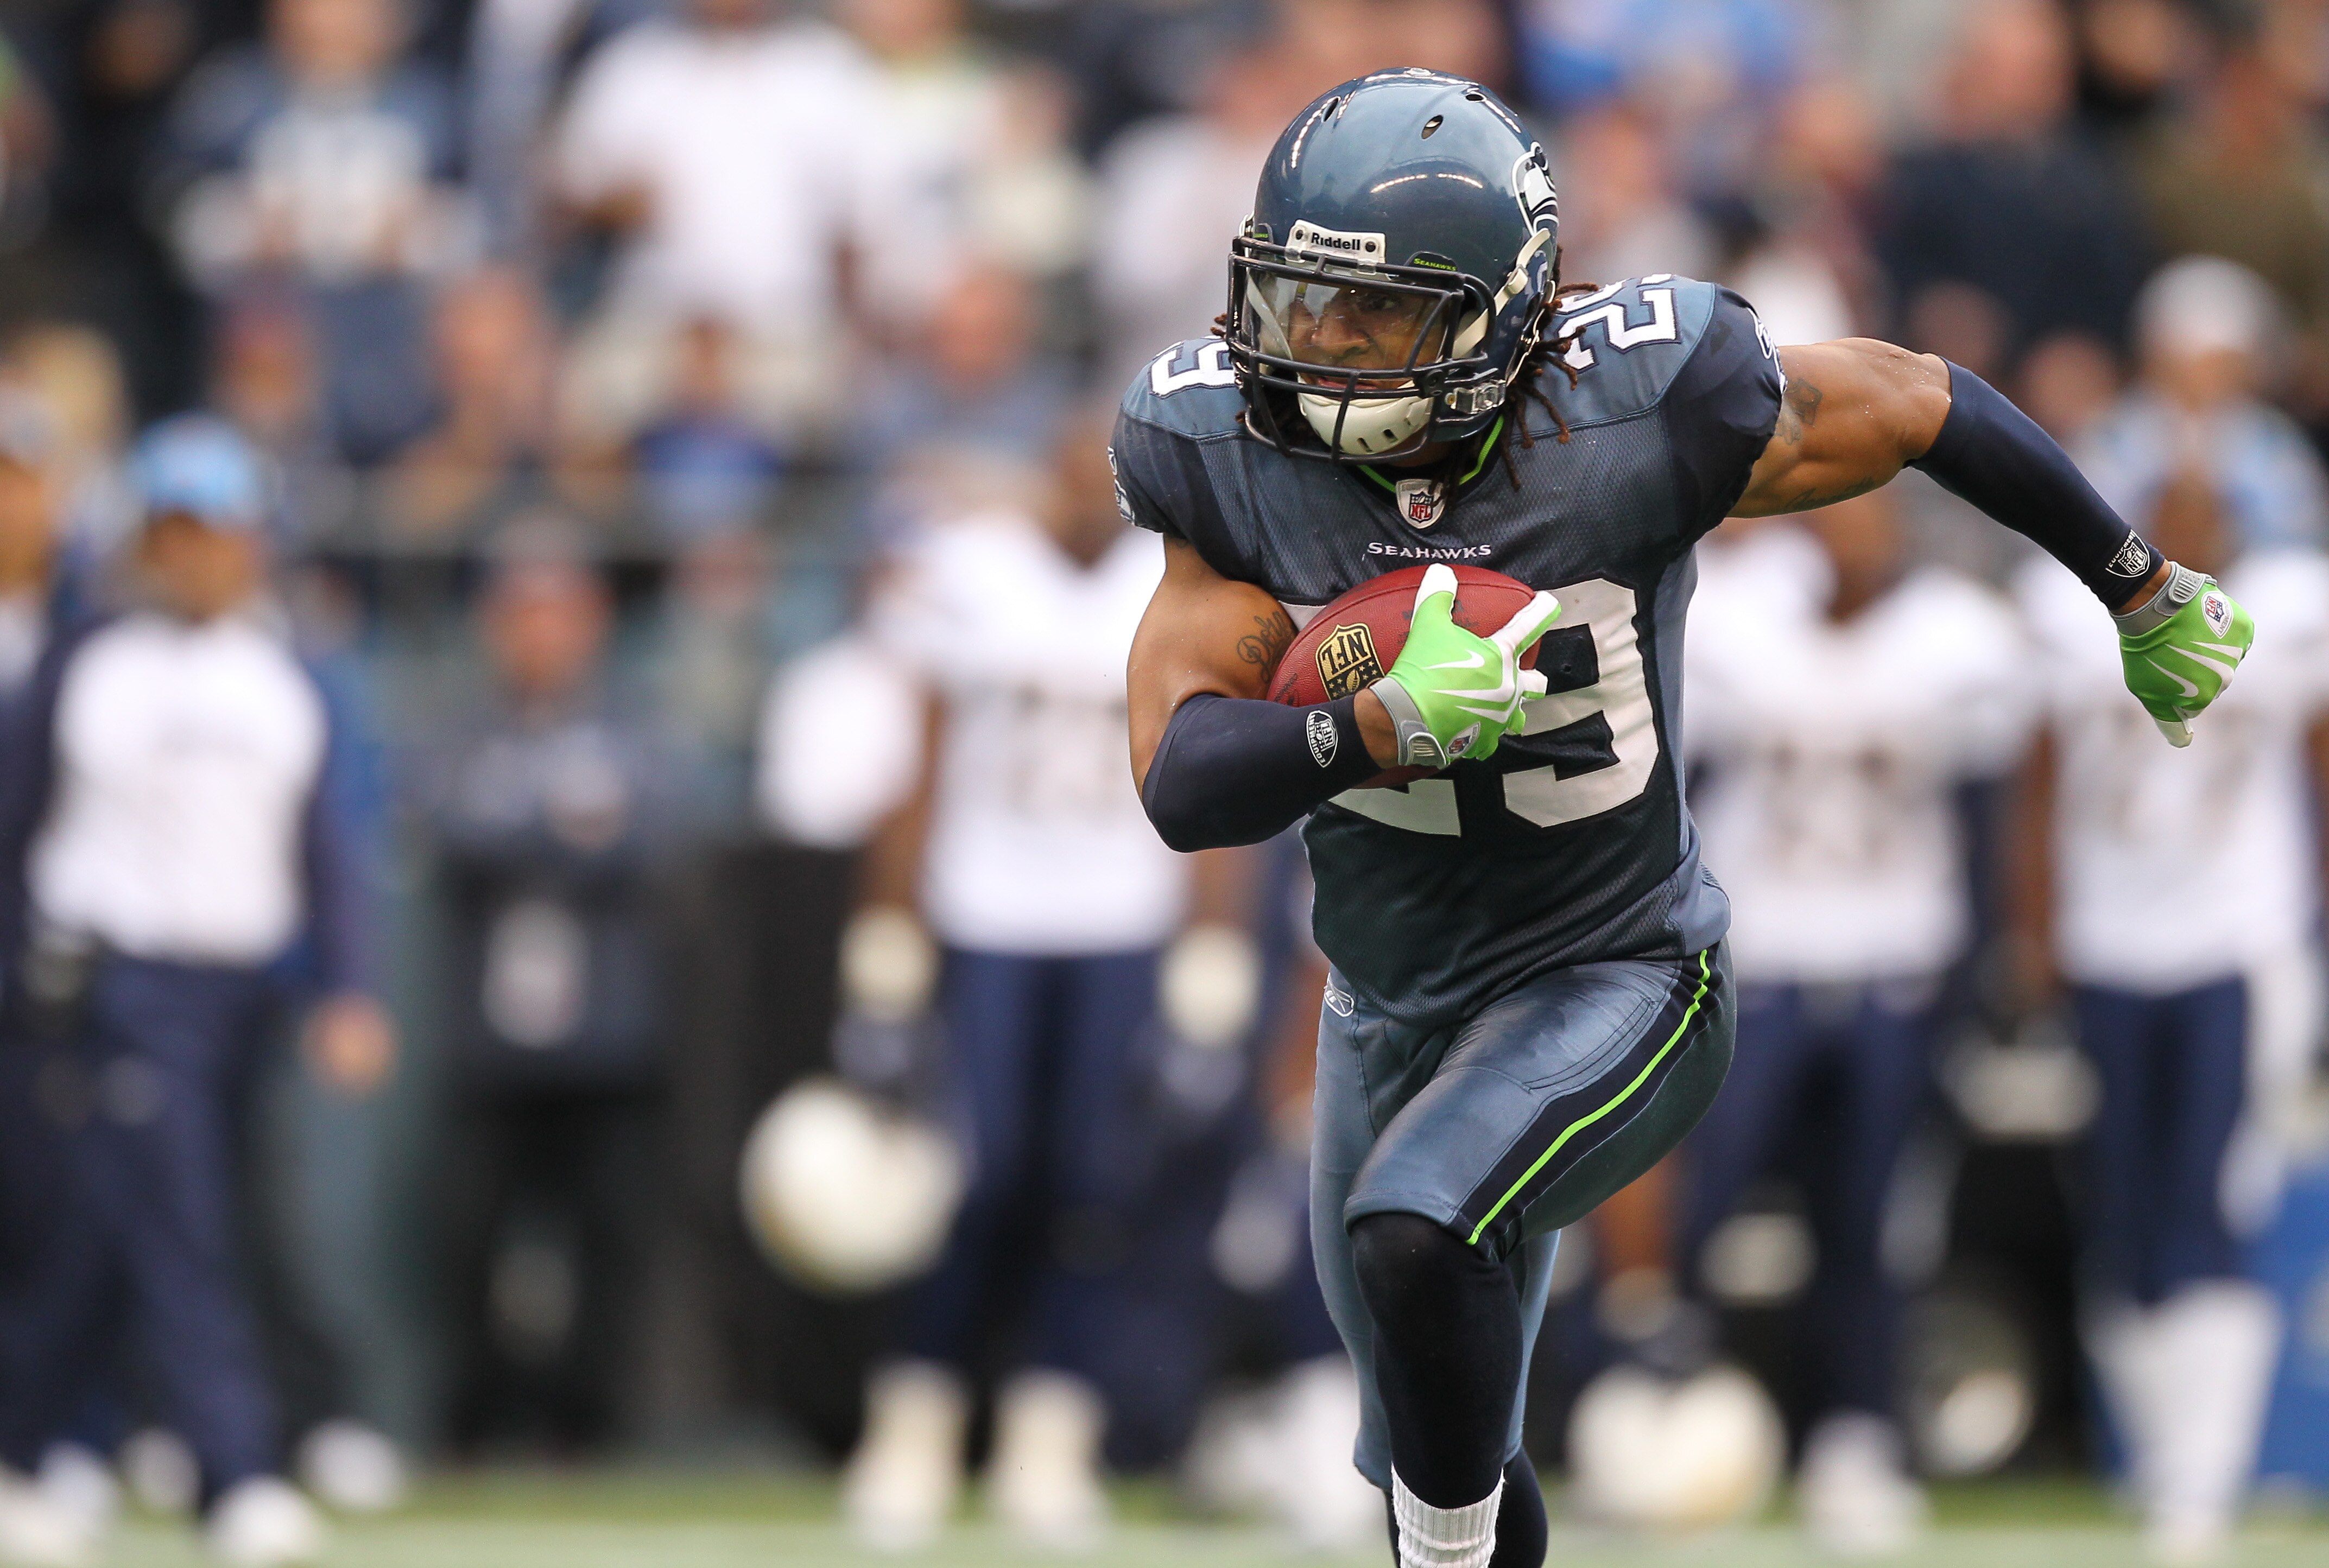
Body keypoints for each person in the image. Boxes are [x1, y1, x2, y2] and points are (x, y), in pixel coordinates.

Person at [1109, 69, 2252, 1568]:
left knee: (1417, 1227)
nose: (1319, 352)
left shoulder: (1640, 406)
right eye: (1302, 303)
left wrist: (2134, 581)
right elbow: (1182, 782)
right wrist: (1362, 729)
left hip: (1617, 967)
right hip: (1386, 1003)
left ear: (1503, 311)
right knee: (1420, 1441)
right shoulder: (1228, 451)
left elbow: (1916, 397)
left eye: (1371, 317)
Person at [834, 410, 1257, 1550]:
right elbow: (913, 769)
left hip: (1119, 924)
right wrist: (885, 953)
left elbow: (1214, 777)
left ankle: (1047, 1440)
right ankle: (914, 1427)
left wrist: (1210, 959)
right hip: (988, 916)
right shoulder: (970, 574)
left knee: (1095, 1191)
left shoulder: (1183, 587)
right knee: (970, 1181)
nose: (1092, 499)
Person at [0, 416, 393, 1568]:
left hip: (245, 991)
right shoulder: (87, 662)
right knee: (180, 1225)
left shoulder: (287, 675)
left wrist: (349, 985)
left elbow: (327, 845)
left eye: (218, 534)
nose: (201, 558)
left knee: (108, 1233)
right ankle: (233, 1469)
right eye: (179, 534)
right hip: (116, 985)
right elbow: (14, 826)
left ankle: (21, 1449)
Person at [1681, 493, 2034, 1554]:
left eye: (1873, 518)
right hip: (1758, 958)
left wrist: (1985, 973)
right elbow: (1677, 796)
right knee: (1698, 1201)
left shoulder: (1960, 638)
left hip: (1897, 965)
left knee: (1871, 1221)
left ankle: (1854, 1435)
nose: (1853, 536)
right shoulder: (1734, 617)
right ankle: (1663, 1411)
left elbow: (1989, 819)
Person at [2010, 425, 2329, 1564]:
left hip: (2238, 939)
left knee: (2208, 1194)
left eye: (2210, 510)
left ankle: (2205, 1473)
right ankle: (2161, 1459)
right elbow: (2039, 779)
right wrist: (2035, 930)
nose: (2190, 531)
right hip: (2111, 938)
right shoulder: (2071, 612)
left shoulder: (2292, 611)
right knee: (2128, 1208)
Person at [426, 532, 687, 1453]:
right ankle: (476, 1417)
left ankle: (592, 1424)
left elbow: (651, 833)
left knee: (606, 1241)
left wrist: (537, 831)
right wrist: (566, 829)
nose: (541, 636)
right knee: (473, 1237)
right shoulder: (470, 728)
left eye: (559, 615)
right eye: (522, 615)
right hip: (494, 1037)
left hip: (607, 1035)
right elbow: (455, 830)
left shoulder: (631, 724)